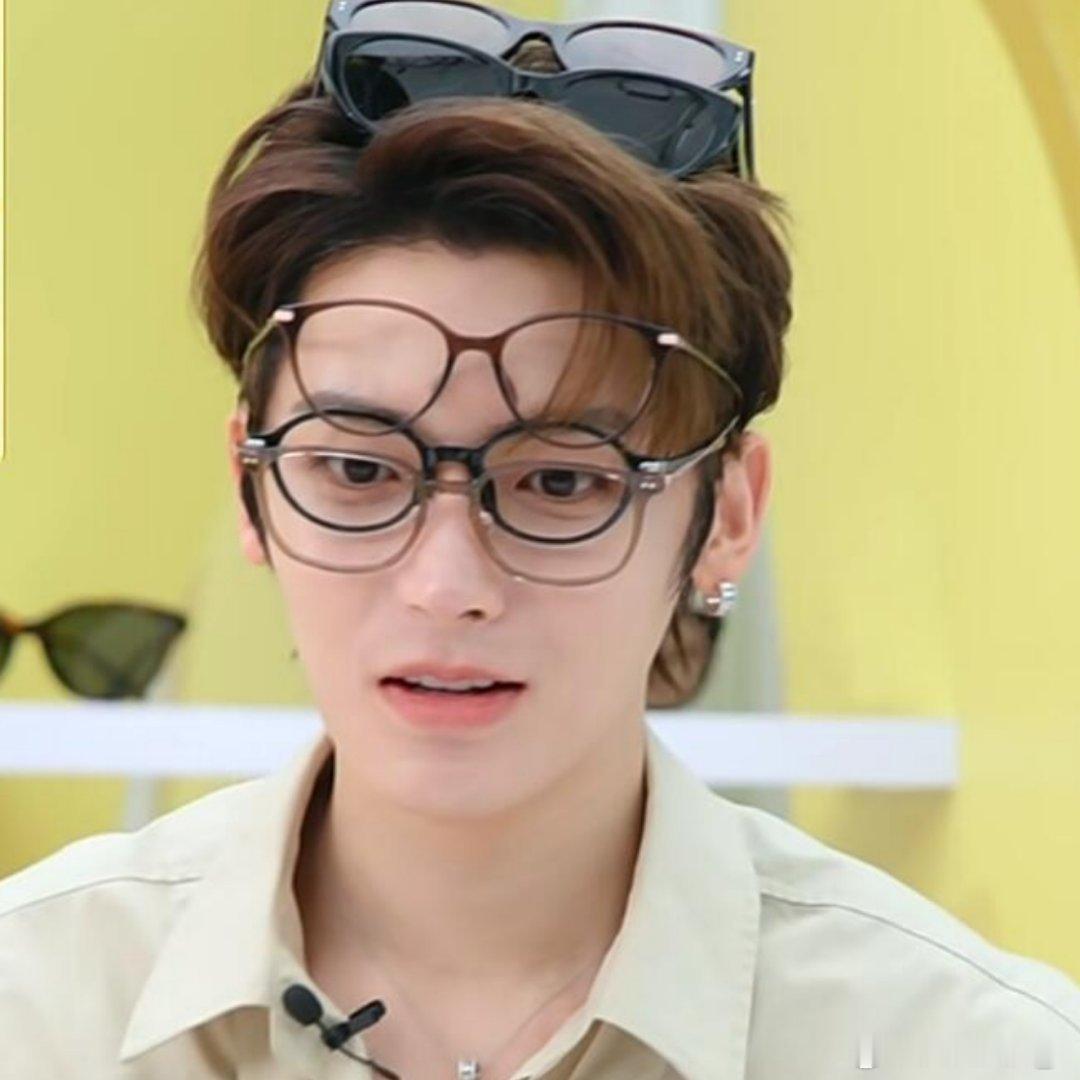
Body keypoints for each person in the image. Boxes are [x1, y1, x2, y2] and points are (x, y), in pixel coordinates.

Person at [1, 73, 1078, 1080]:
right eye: (358, 470)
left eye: (562, 482)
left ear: (728, 516)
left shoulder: (971, 1051)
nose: (445, 583)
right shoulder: (37, 1004)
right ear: (251, 484)